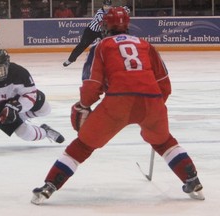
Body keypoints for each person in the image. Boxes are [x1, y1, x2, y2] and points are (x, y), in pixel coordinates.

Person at [31, 7, 204, 205]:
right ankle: (193, 181)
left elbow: (92, 84)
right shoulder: (145, 44)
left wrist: (84, 105)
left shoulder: (102, 46)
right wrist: (156, 106)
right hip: (152, 100)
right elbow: (164, 82)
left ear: (105, 26)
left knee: (83, 145)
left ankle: (49, 186)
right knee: (164, 141)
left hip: (118, 103)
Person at [0, 49, 65, 145]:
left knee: (45, 110)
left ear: (7, 66)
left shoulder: (19, 73)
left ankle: (20, 116)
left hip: (15, 99)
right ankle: (45, 132)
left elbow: (31, 94)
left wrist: (16, 107)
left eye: (1, 69)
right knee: (25, 133)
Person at [62, 0, 113, 67]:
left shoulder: (112, 12)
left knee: (110, 45)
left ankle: (112, 61)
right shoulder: (100, 13)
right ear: (103, 5)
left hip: (102, 31)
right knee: (82, 45)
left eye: (108, 6)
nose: (107, 7)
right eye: (105, 6)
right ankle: (70, 60)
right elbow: (103, 23)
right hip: (91, 31)